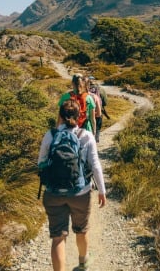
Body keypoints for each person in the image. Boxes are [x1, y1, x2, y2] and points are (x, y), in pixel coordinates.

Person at [38, 99, 106, 271]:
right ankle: (83, 263)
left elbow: (41, 163)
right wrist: (102, 191)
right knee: (81, 230)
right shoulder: (86, 136)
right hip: (80, 193)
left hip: (53, 193)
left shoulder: (50, 135)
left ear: (60, 115)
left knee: (58, 238)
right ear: (80, 115)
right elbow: (95, 164)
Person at [85, 76, 103, 142]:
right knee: (97, 125)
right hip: (97, 110)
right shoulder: (99, 88)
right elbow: (105, 100)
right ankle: (96, 139)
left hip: (87, 114)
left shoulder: (83, 90)